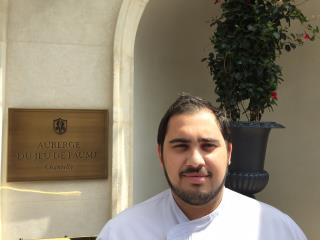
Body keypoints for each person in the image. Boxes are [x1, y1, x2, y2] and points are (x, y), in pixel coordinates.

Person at [97, 93, 307, 240]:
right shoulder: (121, 232)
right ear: (160, 154)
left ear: (229, 153)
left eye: (208, 146)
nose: (196, 160)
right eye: (181, 146)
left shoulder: (277, 230)